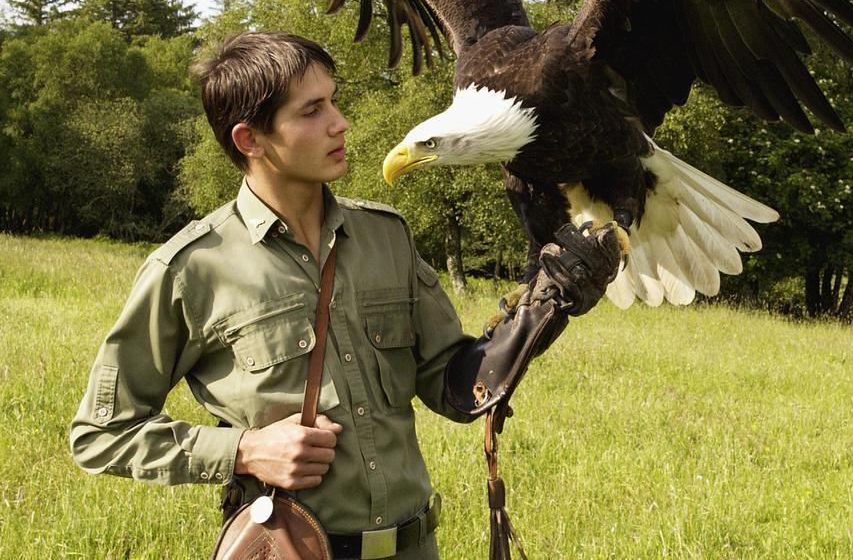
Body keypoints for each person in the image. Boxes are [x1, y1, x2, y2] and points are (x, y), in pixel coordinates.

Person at [70, 31, 618, 559]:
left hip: (414, 548)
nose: (341, 123)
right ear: (249, 139)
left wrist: (546, 306)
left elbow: (456, 388)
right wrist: (243, 450)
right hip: (291, 550)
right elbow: (100, 433)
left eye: (334, 101)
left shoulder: (386, 236)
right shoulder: (192, 268)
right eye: (312, 111)